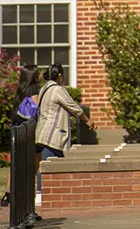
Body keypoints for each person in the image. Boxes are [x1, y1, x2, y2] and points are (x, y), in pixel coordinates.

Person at [35, 63, 94, 194]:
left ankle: (55, 191)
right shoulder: (57, 90)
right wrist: (87, 120)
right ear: (60, 75)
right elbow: (72, 106)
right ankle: (40, 191)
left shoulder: (45, 88)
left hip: (43, 131)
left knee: (55, 163)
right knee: (47, 165)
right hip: (52, 133)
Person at [0, 65, 41, 207]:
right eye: (38, 73)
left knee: (15, 163)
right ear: (34, 76)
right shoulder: (34, 90)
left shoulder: (20, 89)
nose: (40, 76)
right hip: (30, 131)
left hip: (17, 128)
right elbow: (35, 109)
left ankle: (8, 193)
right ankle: (29, 192)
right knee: (33, 164)